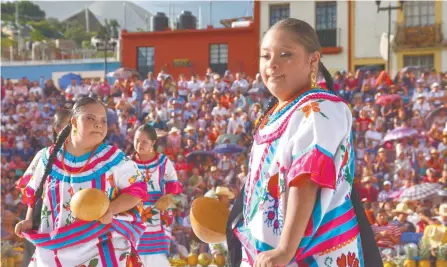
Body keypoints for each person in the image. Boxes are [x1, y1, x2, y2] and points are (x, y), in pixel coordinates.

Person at [226, 19, 381, 267]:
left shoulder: (319, 108)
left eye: (285, 54)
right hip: (271, 254)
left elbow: (308, 177)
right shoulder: (277, 114)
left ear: (313, 60)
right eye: (265, 56)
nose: (272, 64)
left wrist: (286, 248)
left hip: (312, 253)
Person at [14, 97, 148, 266]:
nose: (99, 124)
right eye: (90, 118)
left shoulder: (114, 159)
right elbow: (33, 191)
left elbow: (136, 191)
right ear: (74, 122)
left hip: (100, 243)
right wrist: (29, 220)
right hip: (53, 247)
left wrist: (111, 210)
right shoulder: (46, 157)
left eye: (103, 120)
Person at [132, 124, 183, 267]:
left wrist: (169, 198)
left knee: (158, 258)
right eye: (136, 140)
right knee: (136, 256)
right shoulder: (128, 163)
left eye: (144, 142)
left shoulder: (163, 162)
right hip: (136, 216)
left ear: (153, 143)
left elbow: (174, 184)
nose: (139, 144)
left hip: (160, 216)